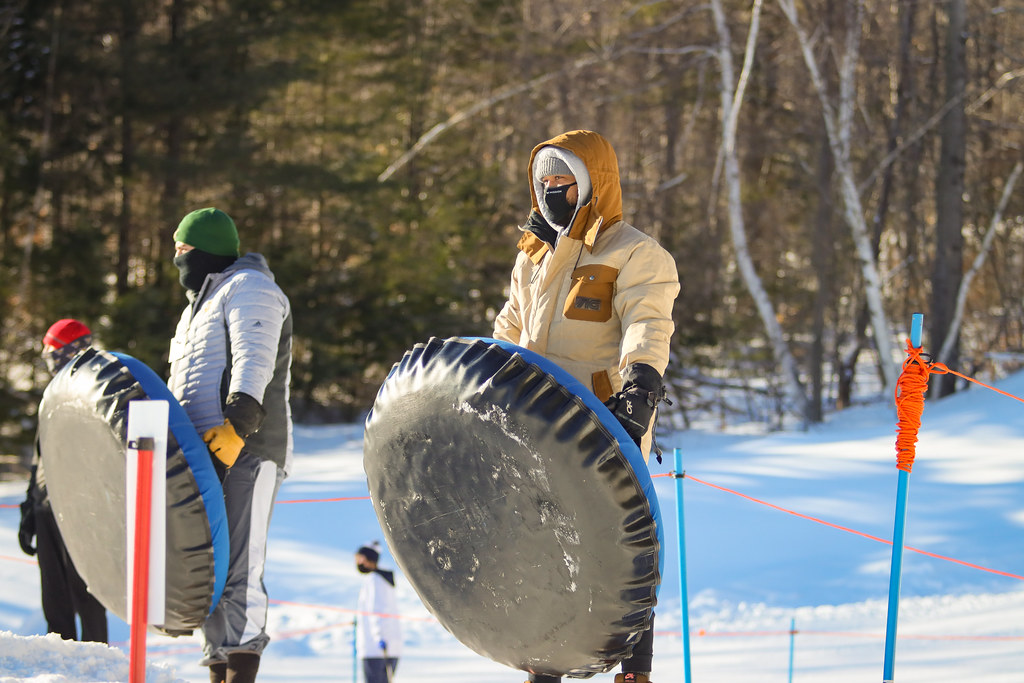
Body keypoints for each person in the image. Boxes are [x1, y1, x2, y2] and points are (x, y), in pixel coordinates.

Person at [493, 130, 679, 683]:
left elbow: (648, 323)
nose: (552, 192)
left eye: (564, 182)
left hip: (602, 425)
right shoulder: (532, 257)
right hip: (532, 426)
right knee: (539, 552)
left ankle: (634, 670)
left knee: (619, 550)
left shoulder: (634, 253)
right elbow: (510, 327)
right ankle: (543, 670)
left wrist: (639, 387)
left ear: (593, 183)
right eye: (544, 182)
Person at [167, 207, 293, 683]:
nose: (177, 259)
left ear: (203, 250)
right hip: (202, 456)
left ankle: (241, 670)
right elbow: (182, 381)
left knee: (241, 563)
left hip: (248, 449)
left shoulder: (250, 288)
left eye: (182, 250)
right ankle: (219, 669)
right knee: (210, 572)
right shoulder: (194, 309)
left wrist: (237, 425)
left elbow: (253, 355)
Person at [17, 319, 108, 643]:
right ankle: (62, 668)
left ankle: (98, 666)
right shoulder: (52, 394)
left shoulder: (94, 392)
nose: (49, 359)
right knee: (54, 598)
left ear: (70, 351)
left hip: (80, 511)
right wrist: (30, 509)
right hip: (46, 510)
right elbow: (40, 459)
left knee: (87, 594)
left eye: (53, 352)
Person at [355, 542, 402, 682]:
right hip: (388, 646)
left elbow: (378, 610)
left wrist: (379, 637)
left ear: (368, 559)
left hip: (376, 649)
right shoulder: (382, 579)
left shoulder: (374, 579)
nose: (357, 562)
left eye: (359, 558)